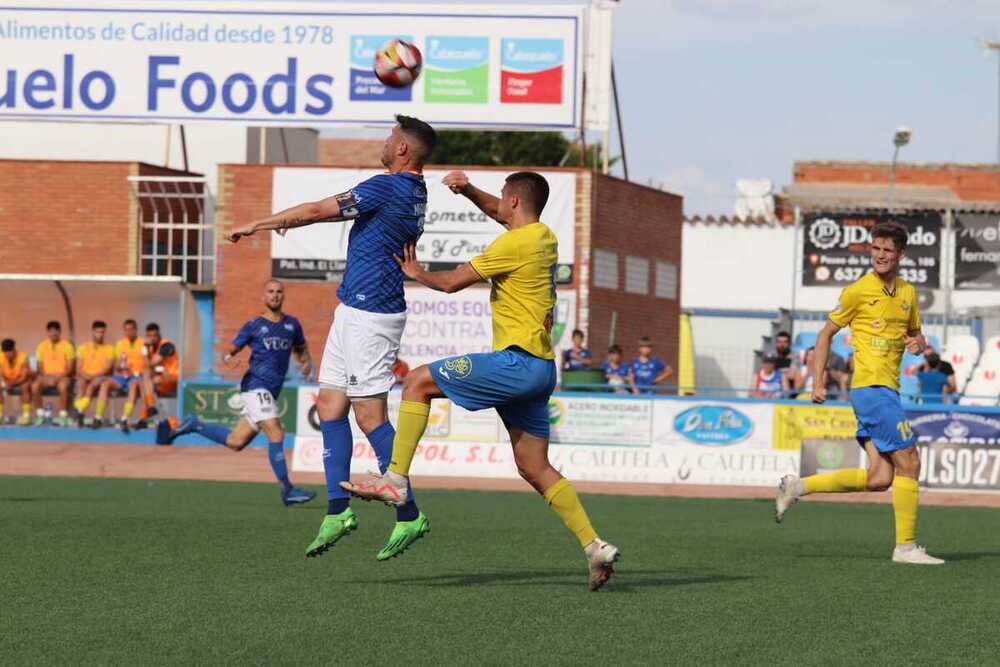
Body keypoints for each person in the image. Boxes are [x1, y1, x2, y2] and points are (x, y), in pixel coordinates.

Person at [342, 170, 620, 591]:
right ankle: (593, 545)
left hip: (516, 363)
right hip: (542, 369)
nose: (499, 203)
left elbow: (453, 283)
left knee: (417, 382)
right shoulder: (544, 237)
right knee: (534, 466)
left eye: (503, 197)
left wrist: (416, 271)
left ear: (513, 202)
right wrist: (469, 190)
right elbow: (498, 210)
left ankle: (395, 480)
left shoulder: (512, 243)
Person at [227, 115, 433, 558]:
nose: (385, 140)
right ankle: (338, 511)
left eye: (390, 136)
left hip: (371, 315)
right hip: (354, 309)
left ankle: (410, 514)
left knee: (370, 417)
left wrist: (261, 223)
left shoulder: (389, 186)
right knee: (331, 406)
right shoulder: (416, 189)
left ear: (402, 150)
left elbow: (320, 210)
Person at [775, 221, 943, 565]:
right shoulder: (857, 291)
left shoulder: (908, 294)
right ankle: (906, 547)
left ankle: (797, 487)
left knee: (880, 477)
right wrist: (818, 382)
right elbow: (824, 336)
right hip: (870, 389)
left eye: (887, 250)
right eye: (875, 248)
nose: (880, 256)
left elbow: (917, 337)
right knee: (910, 459)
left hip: (889, 392)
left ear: (900, 254)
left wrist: (917, 343)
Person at [160, 280, 316, 506]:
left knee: (236, 441)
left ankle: (194, 425)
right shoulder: (254, 325)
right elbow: (232, 350)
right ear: (264, 297)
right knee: (276, 432)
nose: (275, 295)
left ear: (283, 296)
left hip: (270, 392)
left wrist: (305, 362)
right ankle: (287, 489)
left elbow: (301, 348)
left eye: (279, 292)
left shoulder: (292, 325)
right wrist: (229, 358)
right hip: (255, 386)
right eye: (270, 292)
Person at [106, 319, 147, 433]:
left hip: (138, 376)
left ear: (136, 330)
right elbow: (118, 364)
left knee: (135, 385)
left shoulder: (144, 343)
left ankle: (126, 418)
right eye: (126, 330)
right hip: (124, 375)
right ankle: (97, 417)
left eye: (131, 329)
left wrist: (141, 372)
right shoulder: (120, 344)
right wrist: (120, 367)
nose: (129, 332)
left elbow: (147, 362)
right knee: (105, 383)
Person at [32, 321, 74, 426]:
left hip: (63, 376)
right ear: (48, 332)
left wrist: (59, 376)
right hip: (46, 377)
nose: (53, 333)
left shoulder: (68, 346)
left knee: (63, 387)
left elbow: (70, 368)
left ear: (60, 332)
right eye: (51, 331)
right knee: (34, 386)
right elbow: (39, 366)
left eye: (56, 331)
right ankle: (40, 414)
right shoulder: (41, 346)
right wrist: (47, 376)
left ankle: (63, 416)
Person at [73, 320, 115, 427]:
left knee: (103, 385)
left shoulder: (110, 348)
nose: (100, 335)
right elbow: (78, 368)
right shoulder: (83, 347)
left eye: (102, 332)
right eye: (98, 332)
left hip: (101, 378)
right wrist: (87, 376)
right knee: (81, 384)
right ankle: (80, 414)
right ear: (92, 332)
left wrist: (96, 376)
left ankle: (98, 417)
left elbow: (108, 368)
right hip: (86, 377)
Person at [1, 338, 33, 425]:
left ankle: (26, 416)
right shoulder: (1, 357)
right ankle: (0, 416)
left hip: (23, 380)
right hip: (8, 380)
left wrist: (11, 383)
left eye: (9, 352)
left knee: (25, 387)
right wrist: (5, 382)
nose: (7, 354)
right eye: (5, 352)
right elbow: (1, 374)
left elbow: (24, 377)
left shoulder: (23, 357)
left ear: (14, 349)